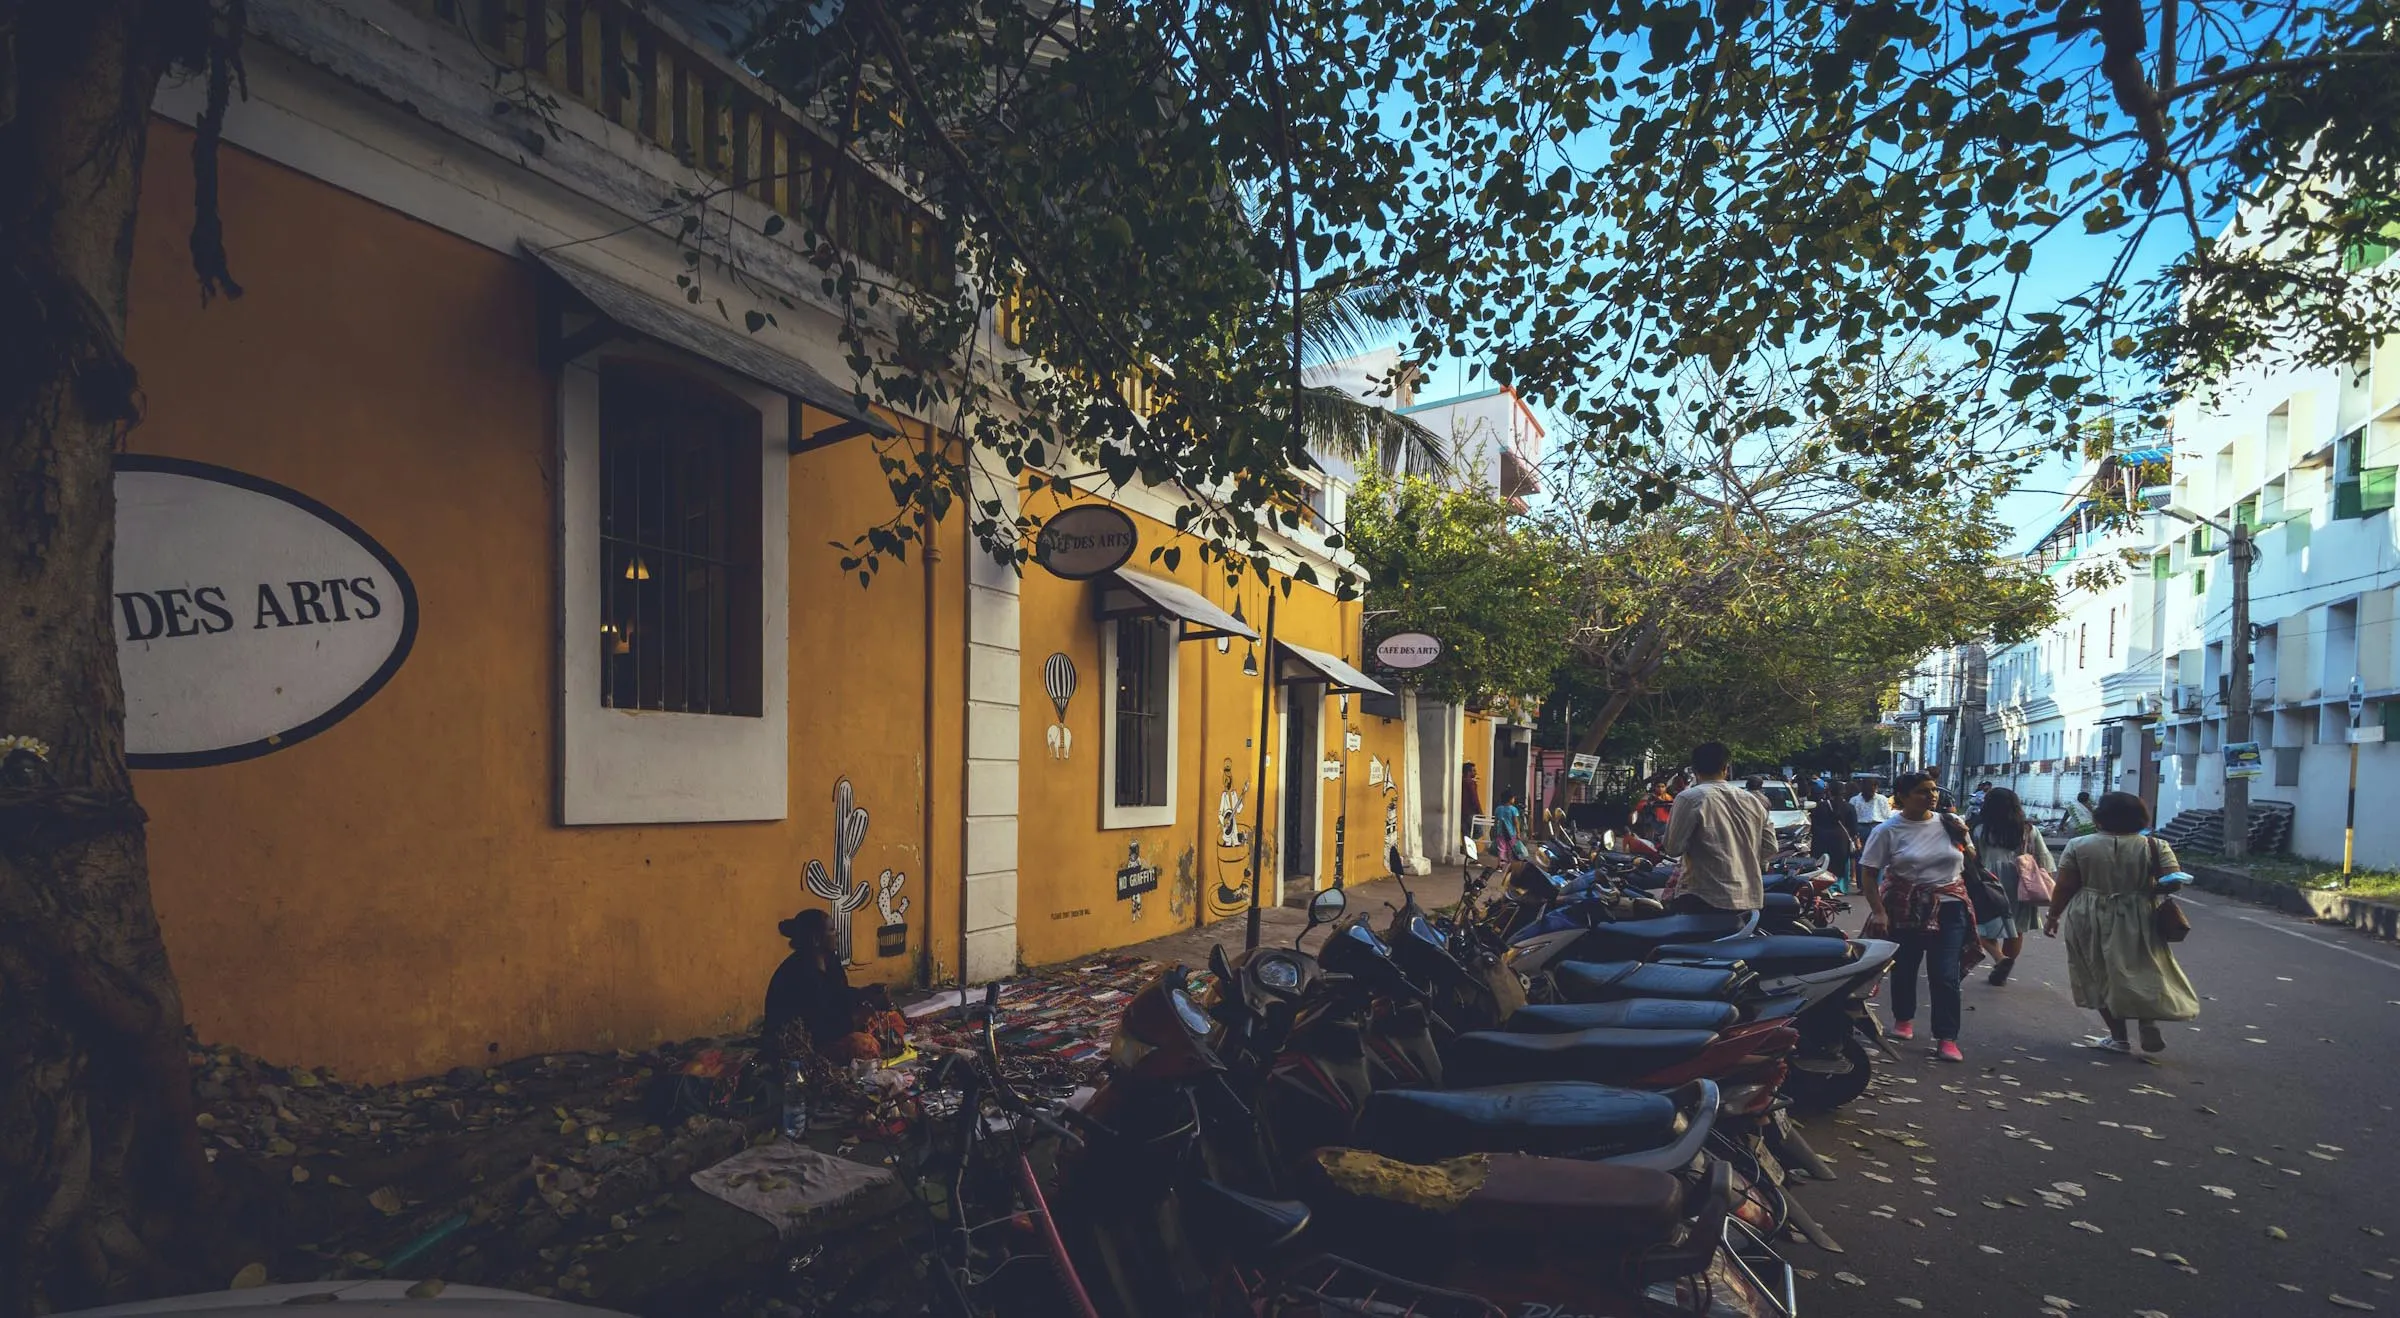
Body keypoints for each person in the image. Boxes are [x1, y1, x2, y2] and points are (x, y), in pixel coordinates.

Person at [2044, 792, 2200, 1054]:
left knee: (2096, 971)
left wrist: (2052, 916)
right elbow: (2173, 881)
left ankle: (2119, 1038)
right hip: (2139, 913)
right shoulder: (2156, 846)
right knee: (2142, 966)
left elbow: (2065, 887)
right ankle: (2146, 1020)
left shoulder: (2079, 845)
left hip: (2089, 912)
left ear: (2099, 817)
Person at [1857, 772, 1976, 1063]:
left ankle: (1947, 1037)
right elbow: (1869, 874)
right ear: (1903, 796)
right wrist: (1879, 911)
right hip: (1903, 907)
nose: (1931, 796)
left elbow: (1971, 857)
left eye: (1933, 790)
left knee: (1945, 974)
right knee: (1905, 967)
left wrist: (1966, 843)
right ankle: (1903, 1018)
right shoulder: (1888, 830)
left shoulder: (1950, 823)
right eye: (1923, 791)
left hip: (1949, 906)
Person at [1663, 741, 1776, 914]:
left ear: (1694, 770)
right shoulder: (1752, 801)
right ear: (1726, 768)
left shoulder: (1689, 798)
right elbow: (1770, 847)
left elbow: (1673, 848)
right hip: (1746, 898)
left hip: (1702, 898)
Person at [764, 909, 872, 1061]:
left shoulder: (831, 961)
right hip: (800, 1046)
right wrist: (859, 1017)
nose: (837, 934)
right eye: (832, 930)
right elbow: (822, 1028)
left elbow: (840, 994)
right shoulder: (797, 974)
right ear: (816, 939)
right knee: (862, 1045)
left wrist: (866, 993)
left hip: (826, 1030)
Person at [1972, 787, 2054, 986]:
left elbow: (1973, 858)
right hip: (2020, 879)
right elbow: (2043, 858)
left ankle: (1999, 958)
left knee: (1980, 925)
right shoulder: (2027, 829)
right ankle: (2005, 964)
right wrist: (2045, 878)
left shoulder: (1979, 829)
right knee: (2015, 928)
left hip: (1988, 880)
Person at [1807, 785, 1860, 892]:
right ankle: (1839, 888)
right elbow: (1853, 827)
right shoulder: (1849, 807)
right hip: (1841, 840)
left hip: (1822, 839)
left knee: (1824, 863)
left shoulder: (1820, 806)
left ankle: (1825, 886)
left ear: (1829, 792)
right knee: (1841, 864)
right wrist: (1856, 840)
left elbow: (1813, 824)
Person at [1492, 791, 1523, 861]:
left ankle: (1501, 863)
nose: (1514, 799)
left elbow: (1496, 821)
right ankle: (1510, 863)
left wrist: (1494, 830)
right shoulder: (1513, 809)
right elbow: (1516, 822)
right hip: (1511, 834)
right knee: (1511, 849)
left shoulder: (1498, 809)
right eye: (1513, 798)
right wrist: (1518, 833)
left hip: (1500, 833)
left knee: (1501, 848)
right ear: (1510, 799)